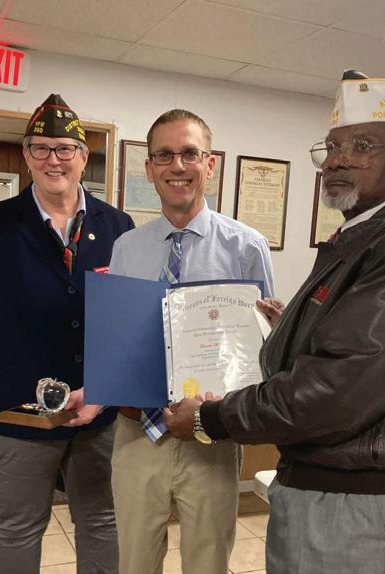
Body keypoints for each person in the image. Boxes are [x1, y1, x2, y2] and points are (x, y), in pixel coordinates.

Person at [165, 71, 385, 574]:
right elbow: (361, 355)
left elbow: (333, 393)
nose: (337, 160)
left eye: (361, 146)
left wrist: (208, 418)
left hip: (361, 510)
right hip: (342, 499)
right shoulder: (367, 237)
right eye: (332, 146)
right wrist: (294, 327)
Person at [68, 108, 275, 574]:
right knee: (135, 562)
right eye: (163, 155)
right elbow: (122, 342)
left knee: (207, 562)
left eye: (189, 154)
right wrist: (99, 391)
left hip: (210, 435)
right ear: (149, 168)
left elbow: (260, 350)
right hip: (137, 434)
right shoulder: (127, 247)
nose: (176, 166)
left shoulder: (246, 246)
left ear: (210, 164)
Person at [0, 94, 134, 574]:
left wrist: (106, 391)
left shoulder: (118, 226)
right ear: (26, 156)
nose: (53, 159)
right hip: (12, 411)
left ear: (83, 157)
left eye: (65, 149)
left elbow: (126, 326)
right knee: (15, 529)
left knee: (103, 522)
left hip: (97, 413)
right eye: (40, 148)